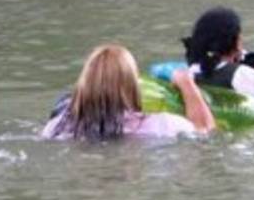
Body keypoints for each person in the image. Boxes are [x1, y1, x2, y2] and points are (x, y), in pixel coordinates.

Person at [41, 45, 214, 140]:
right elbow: (205, 131)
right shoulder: (161, 125)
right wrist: (186, 84)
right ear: (132, 85)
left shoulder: (55, 127)